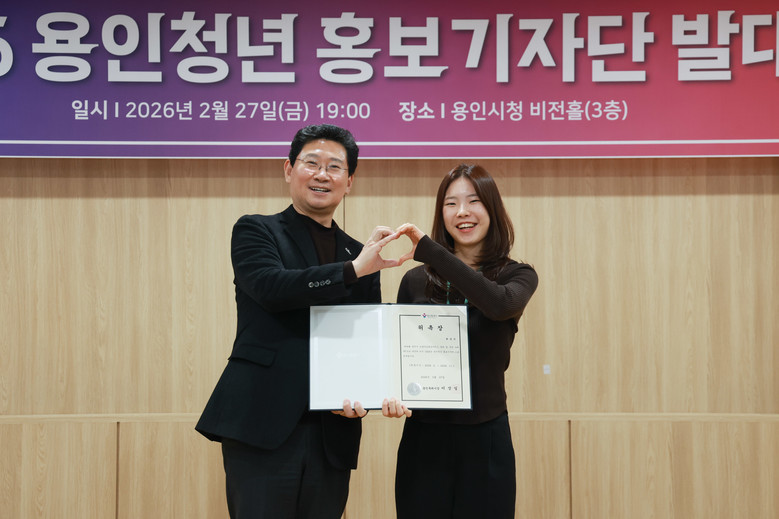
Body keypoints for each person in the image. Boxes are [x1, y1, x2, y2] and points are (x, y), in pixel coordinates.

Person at [196, 124, 410, 519]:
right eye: (311, 163)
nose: (322, 174)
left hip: (334, 429)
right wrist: (351, 270)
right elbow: (271, 288)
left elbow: (363, 339)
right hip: (263, 421)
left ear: (349, 182)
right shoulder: (256, 230)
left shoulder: (358, 253)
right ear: (288, 169)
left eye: (335, 167)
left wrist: (367, 397)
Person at [393, 164, 538, 519]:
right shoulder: (414, 281)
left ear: (492, 209)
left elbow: (498, 304)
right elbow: (397, 357)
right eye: (451, 203)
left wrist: (433, 252)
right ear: (441, 213)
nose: (462, 212)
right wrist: (389, 393)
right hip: (423, 439)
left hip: (486, 438)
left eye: (474, 201)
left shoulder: (516, 275)